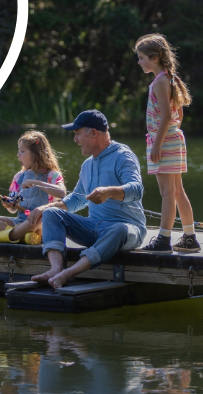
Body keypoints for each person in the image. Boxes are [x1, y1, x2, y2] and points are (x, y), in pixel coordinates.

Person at [30, 110, 147, 289]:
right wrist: (47, 207)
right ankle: (56, 269)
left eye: (77, 133)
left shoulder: (123, 156)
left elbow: (137, 189)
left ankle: (69, 273)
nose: (75, 140)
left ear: (93, 133)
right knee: (52, 213)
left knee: (119, 229)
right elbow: (77, 199)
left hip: (126, 231)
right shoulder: (87, 165)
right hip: (93, 228)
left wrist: (109, 192)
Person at [134, 33, 199, 253]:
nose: (139, 62)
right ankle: (190, 237)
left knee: (167, 193)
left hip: (165, 142)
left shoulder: (160, 82)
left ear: (154, 57)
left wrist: (157, 145)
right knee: (177, 191)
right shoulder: (169, 78)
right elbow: (177, 113)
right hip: (173, 140)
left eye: (141, 57)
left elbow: (167, 117)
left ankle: (163, 240)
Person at [0, 130, 66, 244]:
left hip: (42, 223)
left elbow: (62, 193)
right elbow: (12, 209)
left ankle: (1, 237)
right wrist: (9, 204)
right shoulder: (19, 177)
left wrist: (37, 183)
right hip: (20, 221)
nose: (18, 155)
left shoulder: (52, 175)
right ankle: (24, 237)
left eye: (22, 151)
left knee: (35, 221)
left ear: (35, 154)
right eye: (19, 151)